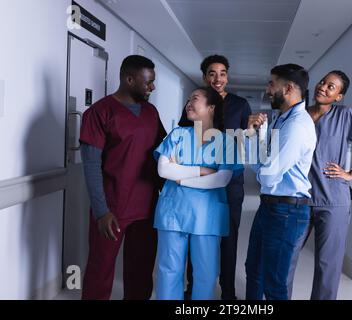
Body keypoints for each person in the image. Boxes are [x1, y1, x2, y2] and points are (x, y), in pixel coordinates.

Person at [287, 70, 352, 300]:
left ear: (339, 96)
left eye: (331, 86)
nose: (323, 87)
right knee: (286, 258)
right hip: (298, 197)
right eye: (322, 82)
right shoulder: (299, 114)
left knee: (327, 265)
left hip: (333, 201)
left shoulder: (345, 116)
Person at [79, 55, 166, 300]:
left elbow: (162, 154)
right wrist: (101, 211)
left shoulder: (150, 112)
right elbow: (91, 165)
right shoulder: (99, 112)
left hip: (146, 207)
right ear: (129, 79)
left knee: (140, 272)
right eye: (148, 82)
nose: (153, 87)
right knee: (101, 270)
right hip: (112, 208)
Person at [154, 87, 244, 300]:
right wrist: (201, 171)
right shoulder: (177, 134)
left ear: (211, 107)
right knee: (169, 271)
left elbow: (221, 179)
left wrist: (182, 178)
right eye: (187, 99)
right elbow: (163, 169)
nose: (189, 103)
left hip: (207, 216)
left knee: (206, 274)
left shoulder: (226, 142)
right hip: (173, 213)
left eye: (195, 98)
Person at [179, 55, 252, 300]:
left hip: (230, 179)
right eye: (212, 73)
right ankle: (193, 287)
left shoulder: (240, 105)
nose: (217, 78)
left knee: (228, 237)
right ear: (204, 77)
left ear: (227, 77)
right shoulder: (194, 103)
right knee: (197, 234)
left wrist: (249, 133)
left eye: (222, 73)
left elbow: (244, 142)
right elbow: (186, 137)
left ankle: (228, 292)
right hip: (201, 179)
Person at [244, 64, 316, 300]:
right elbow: (257, 164)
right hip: (270, 206)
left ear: (288, 88)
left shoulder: (297, 126)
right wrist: (251, 135)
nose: (267, 89)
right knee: (254, 271)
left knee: (274, 283)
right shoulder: (280, 120)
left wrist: (263, 168)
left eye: (271, 83)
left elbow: (268, 175)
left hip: (287, 211)